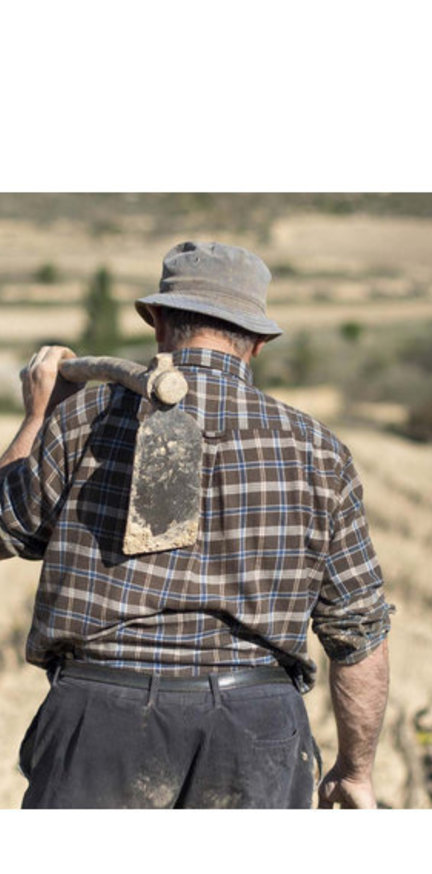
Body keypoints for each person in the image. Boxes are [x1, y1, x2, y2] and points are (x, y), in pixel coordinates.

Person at [0, 240, 392, 809]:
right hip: (256, 730)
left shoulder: (81, 419)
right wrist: (355, 770)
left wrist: (38, 414)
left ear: (158, 322)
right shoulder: (318, 451)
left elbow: (5, 530)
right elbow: (359, 632)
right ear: (257, 342)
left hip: (100, 721)